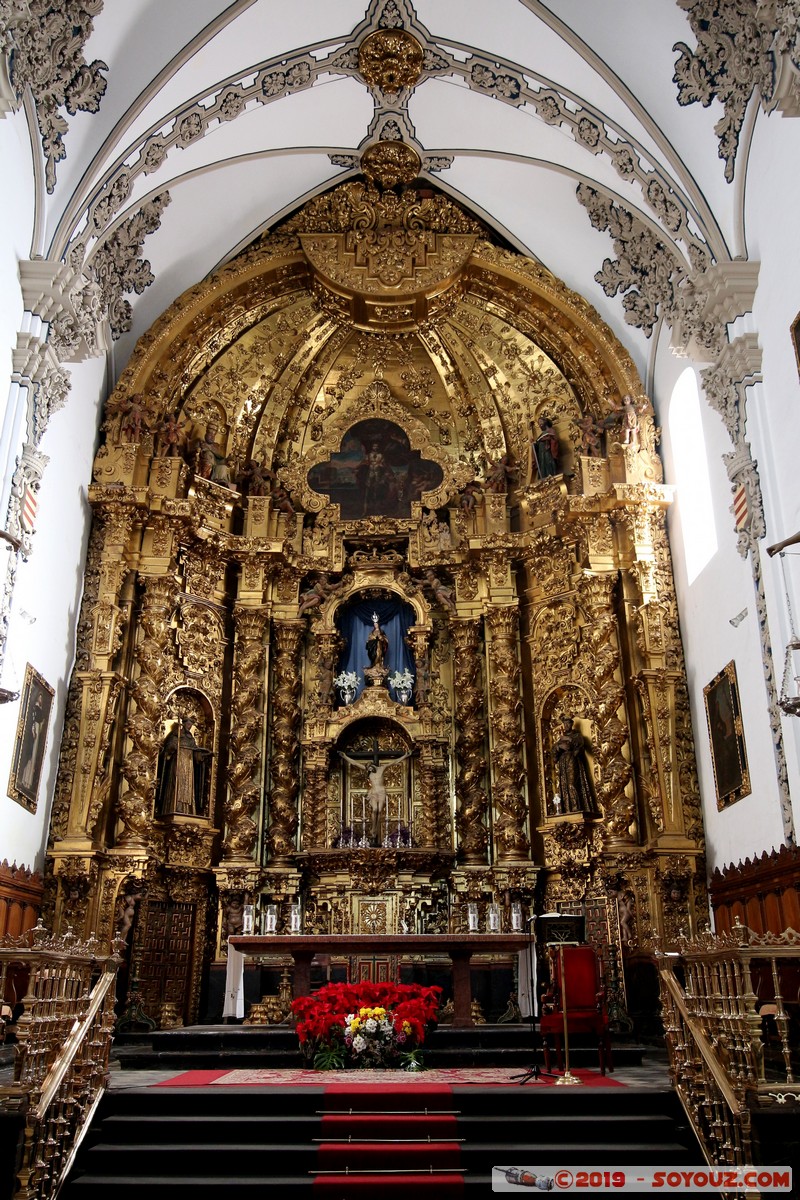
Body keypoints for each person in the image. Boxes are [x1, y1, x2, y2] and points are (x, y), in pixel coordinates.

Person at [339, 747, 414, 845]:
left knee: (379, 810)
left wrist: (405, 755)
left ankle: (376, 828)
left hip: (381, 792)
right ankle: (373, 829)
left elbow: (394, 762)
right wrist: (345, 757)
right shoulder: (368, 771)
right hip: (373, 793)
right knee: (374, 809)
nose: (369, 769)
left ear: (373, 765)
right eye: (368, 768)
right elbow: (355, 763)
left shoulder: (381, 769)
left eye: (370, 767)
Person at [157, 716, 210, 816]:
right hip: (178, 762)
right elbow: (168, 749)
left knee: (187, 787)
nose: (189, 727)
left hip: (188, 765)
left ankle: (187, 810)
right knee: (176, 783)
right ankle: (175, 807)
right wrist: (175, 746)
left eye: (191, 725)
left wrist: (204, 755)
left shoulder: (191, 739)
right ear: (184, 724)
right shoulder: (176, 735)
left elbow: (196, 753)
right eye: (188, 725)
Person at [554, 716, 599, 815]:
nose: (566, 726)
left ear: (571, 724)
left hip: (573, 761)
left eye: (568, 723)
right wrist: (559, 746)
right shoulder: (560, 739)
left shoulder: (576, 735)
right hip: (563, 763)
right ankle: (567, 808)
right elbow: (554, 755)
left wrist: (568, 739)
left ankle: (576, 807)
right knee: (564, 786)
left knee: (572, 784)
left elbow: (580, 744)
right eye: (564, 724)